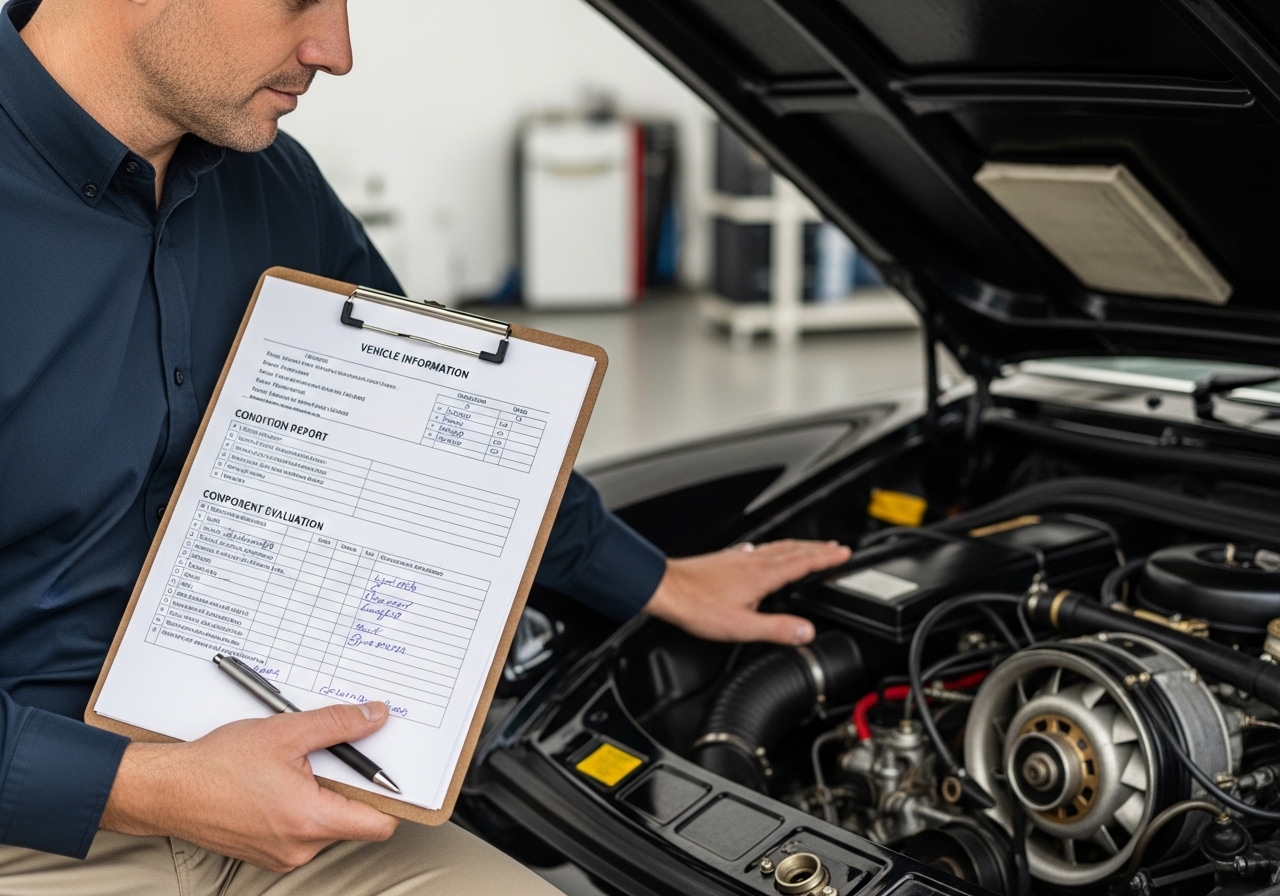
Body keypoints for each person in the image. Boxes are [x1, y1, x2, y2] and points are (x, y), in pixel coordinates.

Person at [0, 0, 852, 892]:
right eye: (299, 0)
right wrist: (144, 789)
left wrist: (659, 578)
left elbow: (447, 428)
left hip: (277, 774)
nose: (336, 50)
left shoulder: (277, 189)